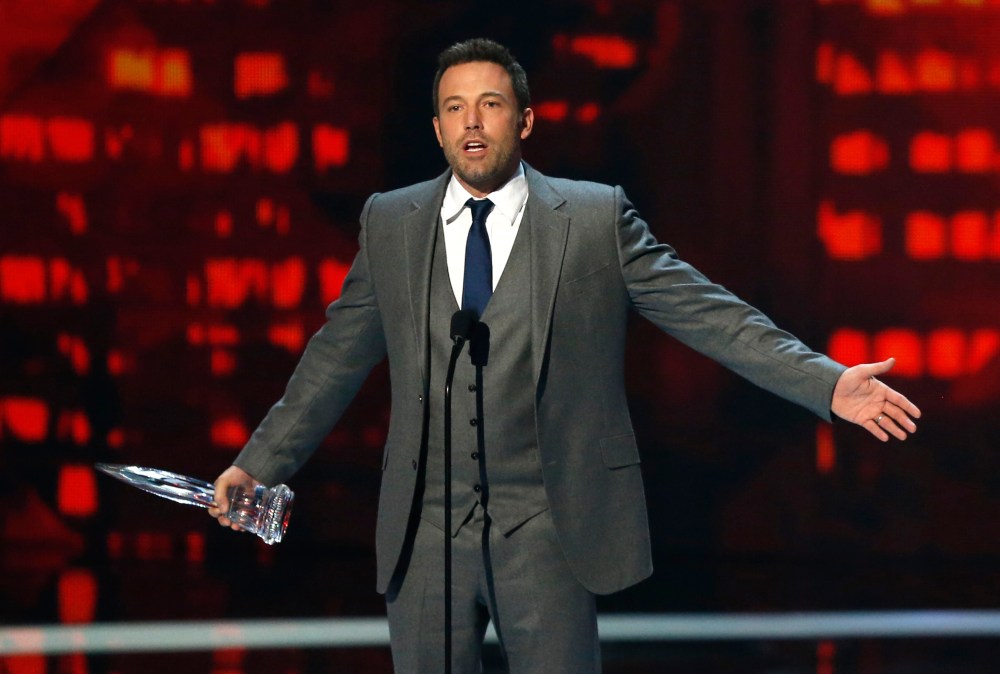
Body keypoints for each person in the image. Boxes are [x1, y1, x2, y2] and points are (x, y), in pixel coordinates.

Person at [209, 38, 921, 673]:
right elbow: (335, 358)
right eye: (455, 109)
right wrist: (259, 463)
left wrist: (826, 384)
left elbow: (709, 315)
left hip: (551, 526)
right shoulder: (392, 223)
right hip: (425, 534)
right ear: (436, 128)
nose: (472, 122)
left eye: (489, 104)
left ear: (523, 120)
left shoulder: (593, 219)